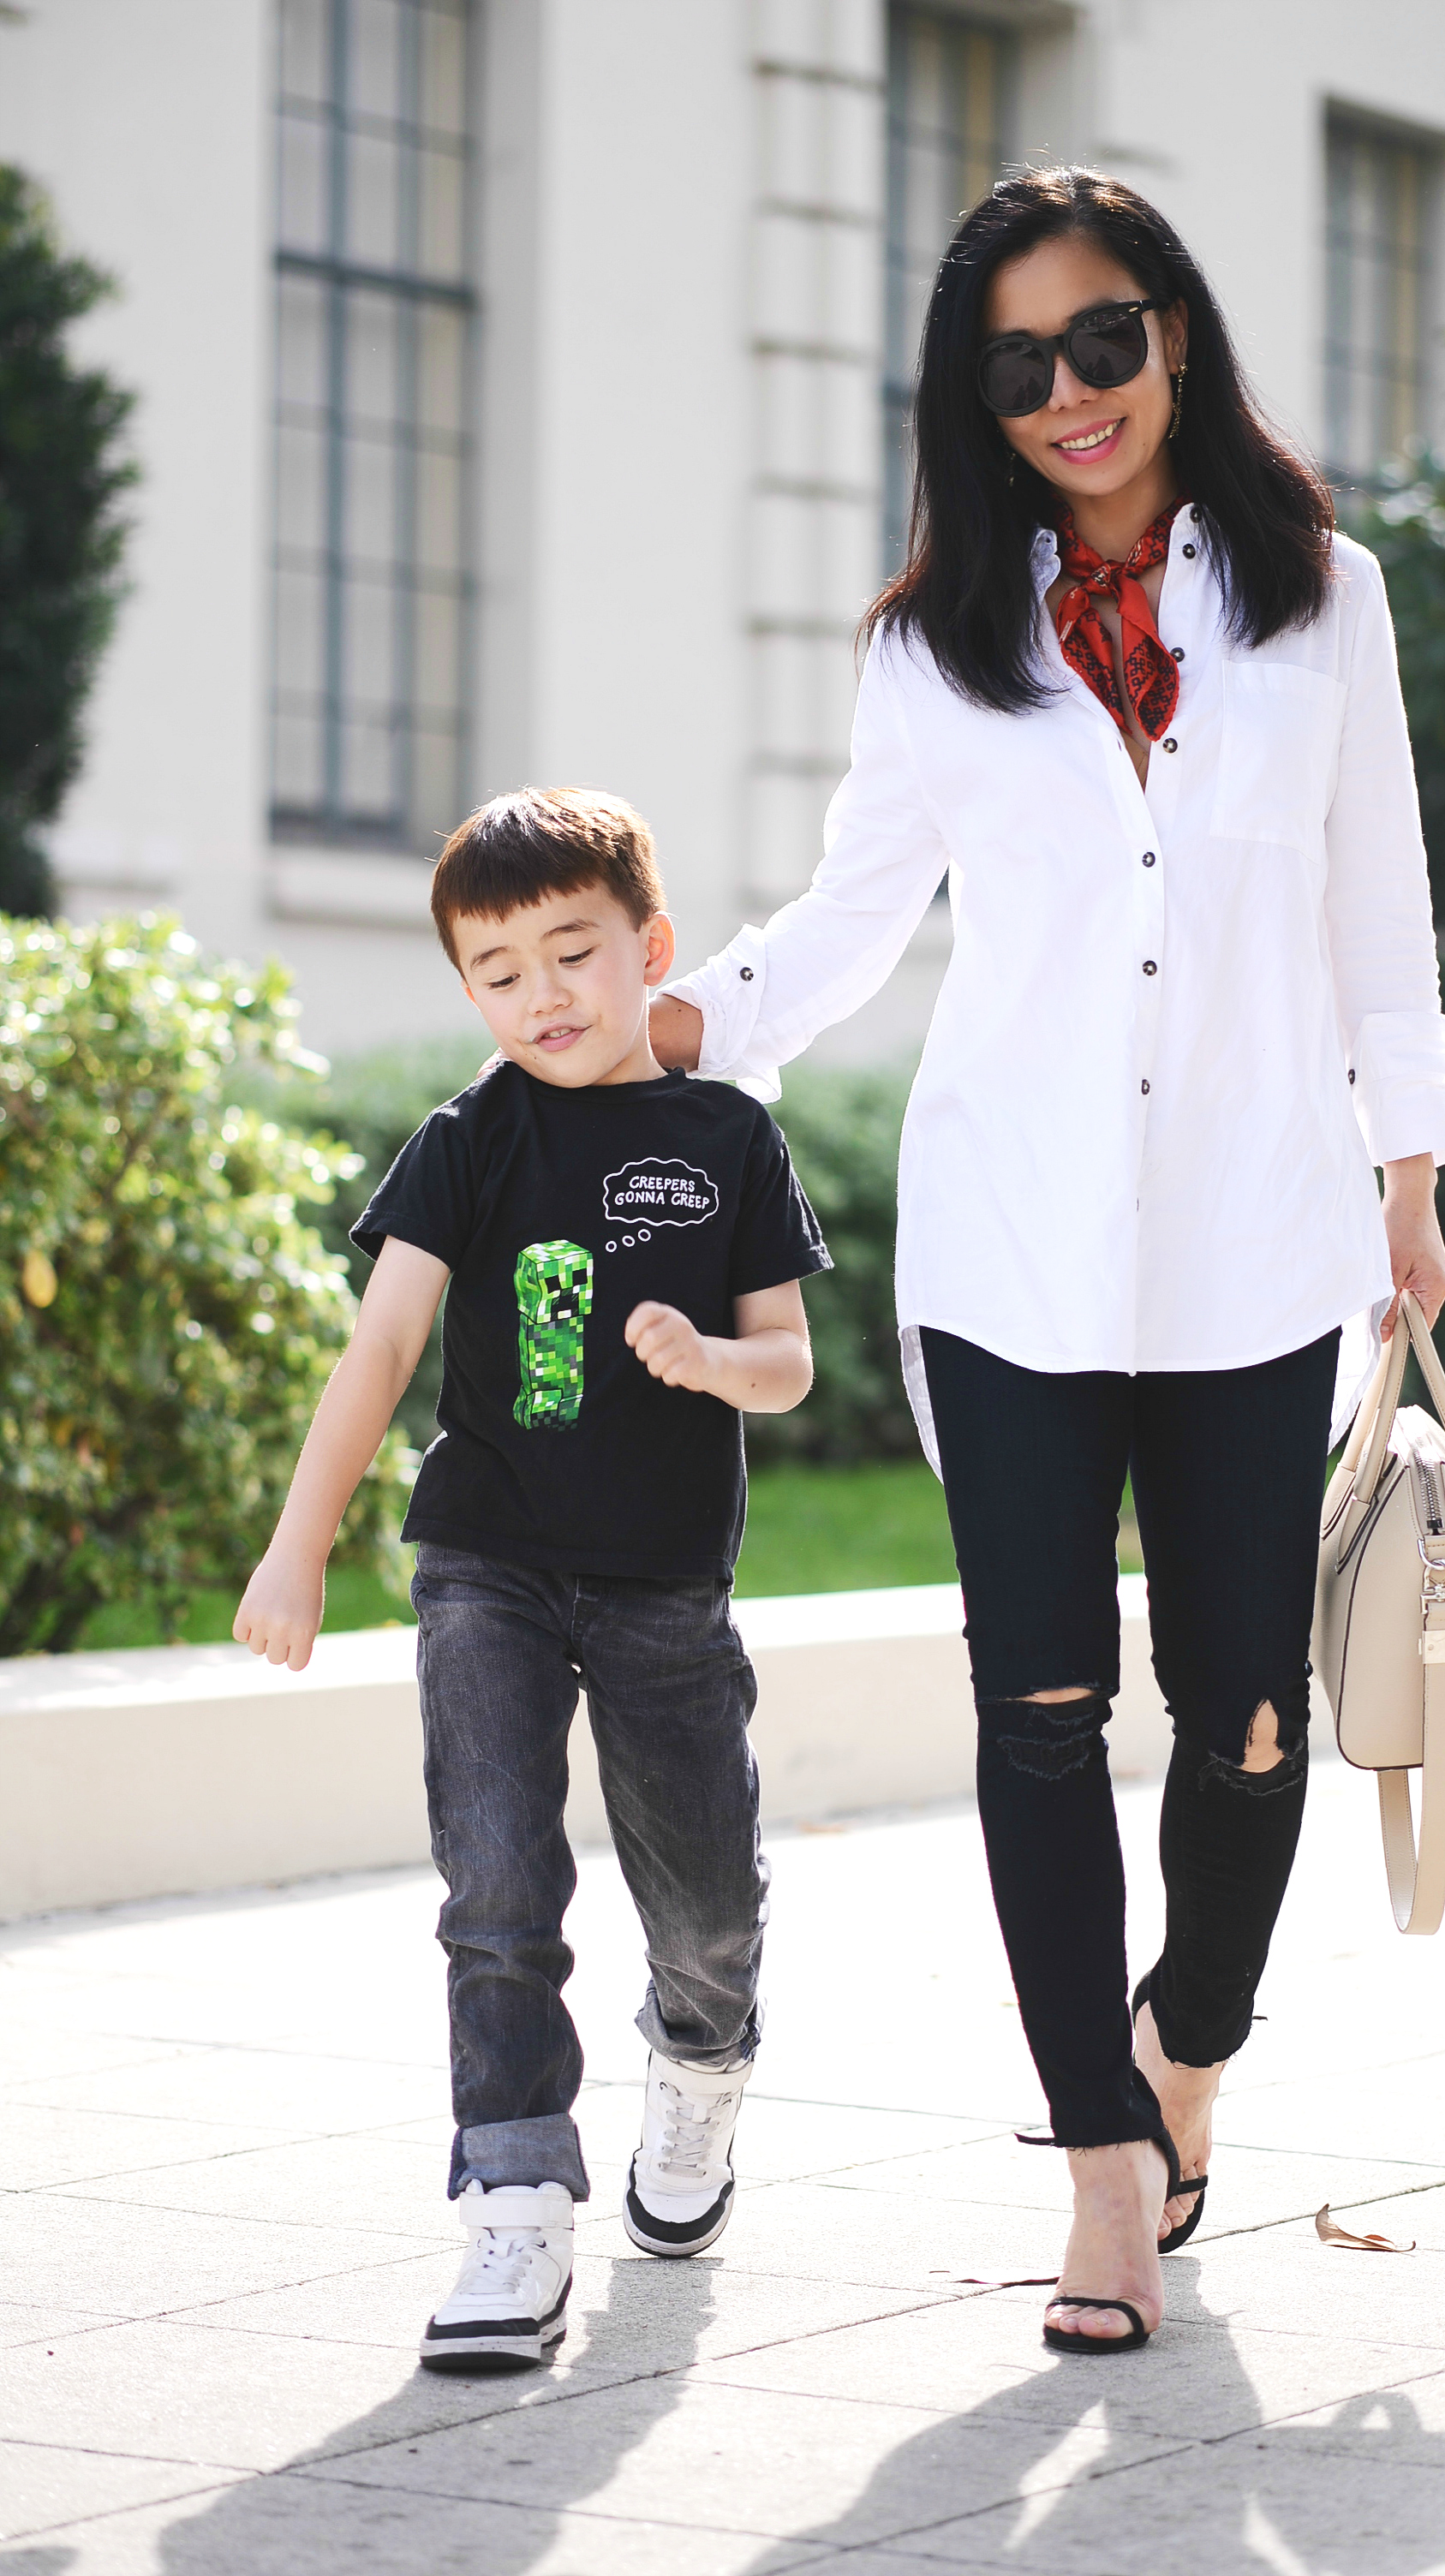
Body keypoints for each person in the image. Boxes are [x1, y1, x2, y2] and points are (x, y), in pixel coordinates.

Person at [650, 170, 1445, 2356]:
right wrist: (669, 1021)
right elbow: (842, 926)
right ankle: (1102, 2169)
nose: (1069, 394)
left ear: (1171, 334)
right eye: (1017, 367)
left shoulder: (1325, 606)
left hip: (1255, 1241)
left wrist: (1410, 1166)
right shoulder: (932, 645)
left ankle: (1188, 2046)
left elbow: (1377, 909)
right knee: (1036, 1713)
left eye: (1100, 339)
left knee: (1251, 1717)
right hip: (1005, 1256)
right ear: (975, 401)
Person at [234, 787, 831, 2370]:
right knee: (497, 1894)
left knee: (704, 1907)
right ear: (468, 992)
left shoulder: (728, 1138)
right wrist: (298, 1549)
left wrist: (712, 1358)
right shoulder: (470, 1138)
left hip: (661, 1584)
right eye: (499, 973)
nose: (543, 995)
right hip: (485, 1563)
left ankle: (699, 2079)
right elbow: (383, 1348)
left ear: (654, 949)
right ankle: (512, 2209)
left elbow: (790, 1365)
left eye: (574, 953)